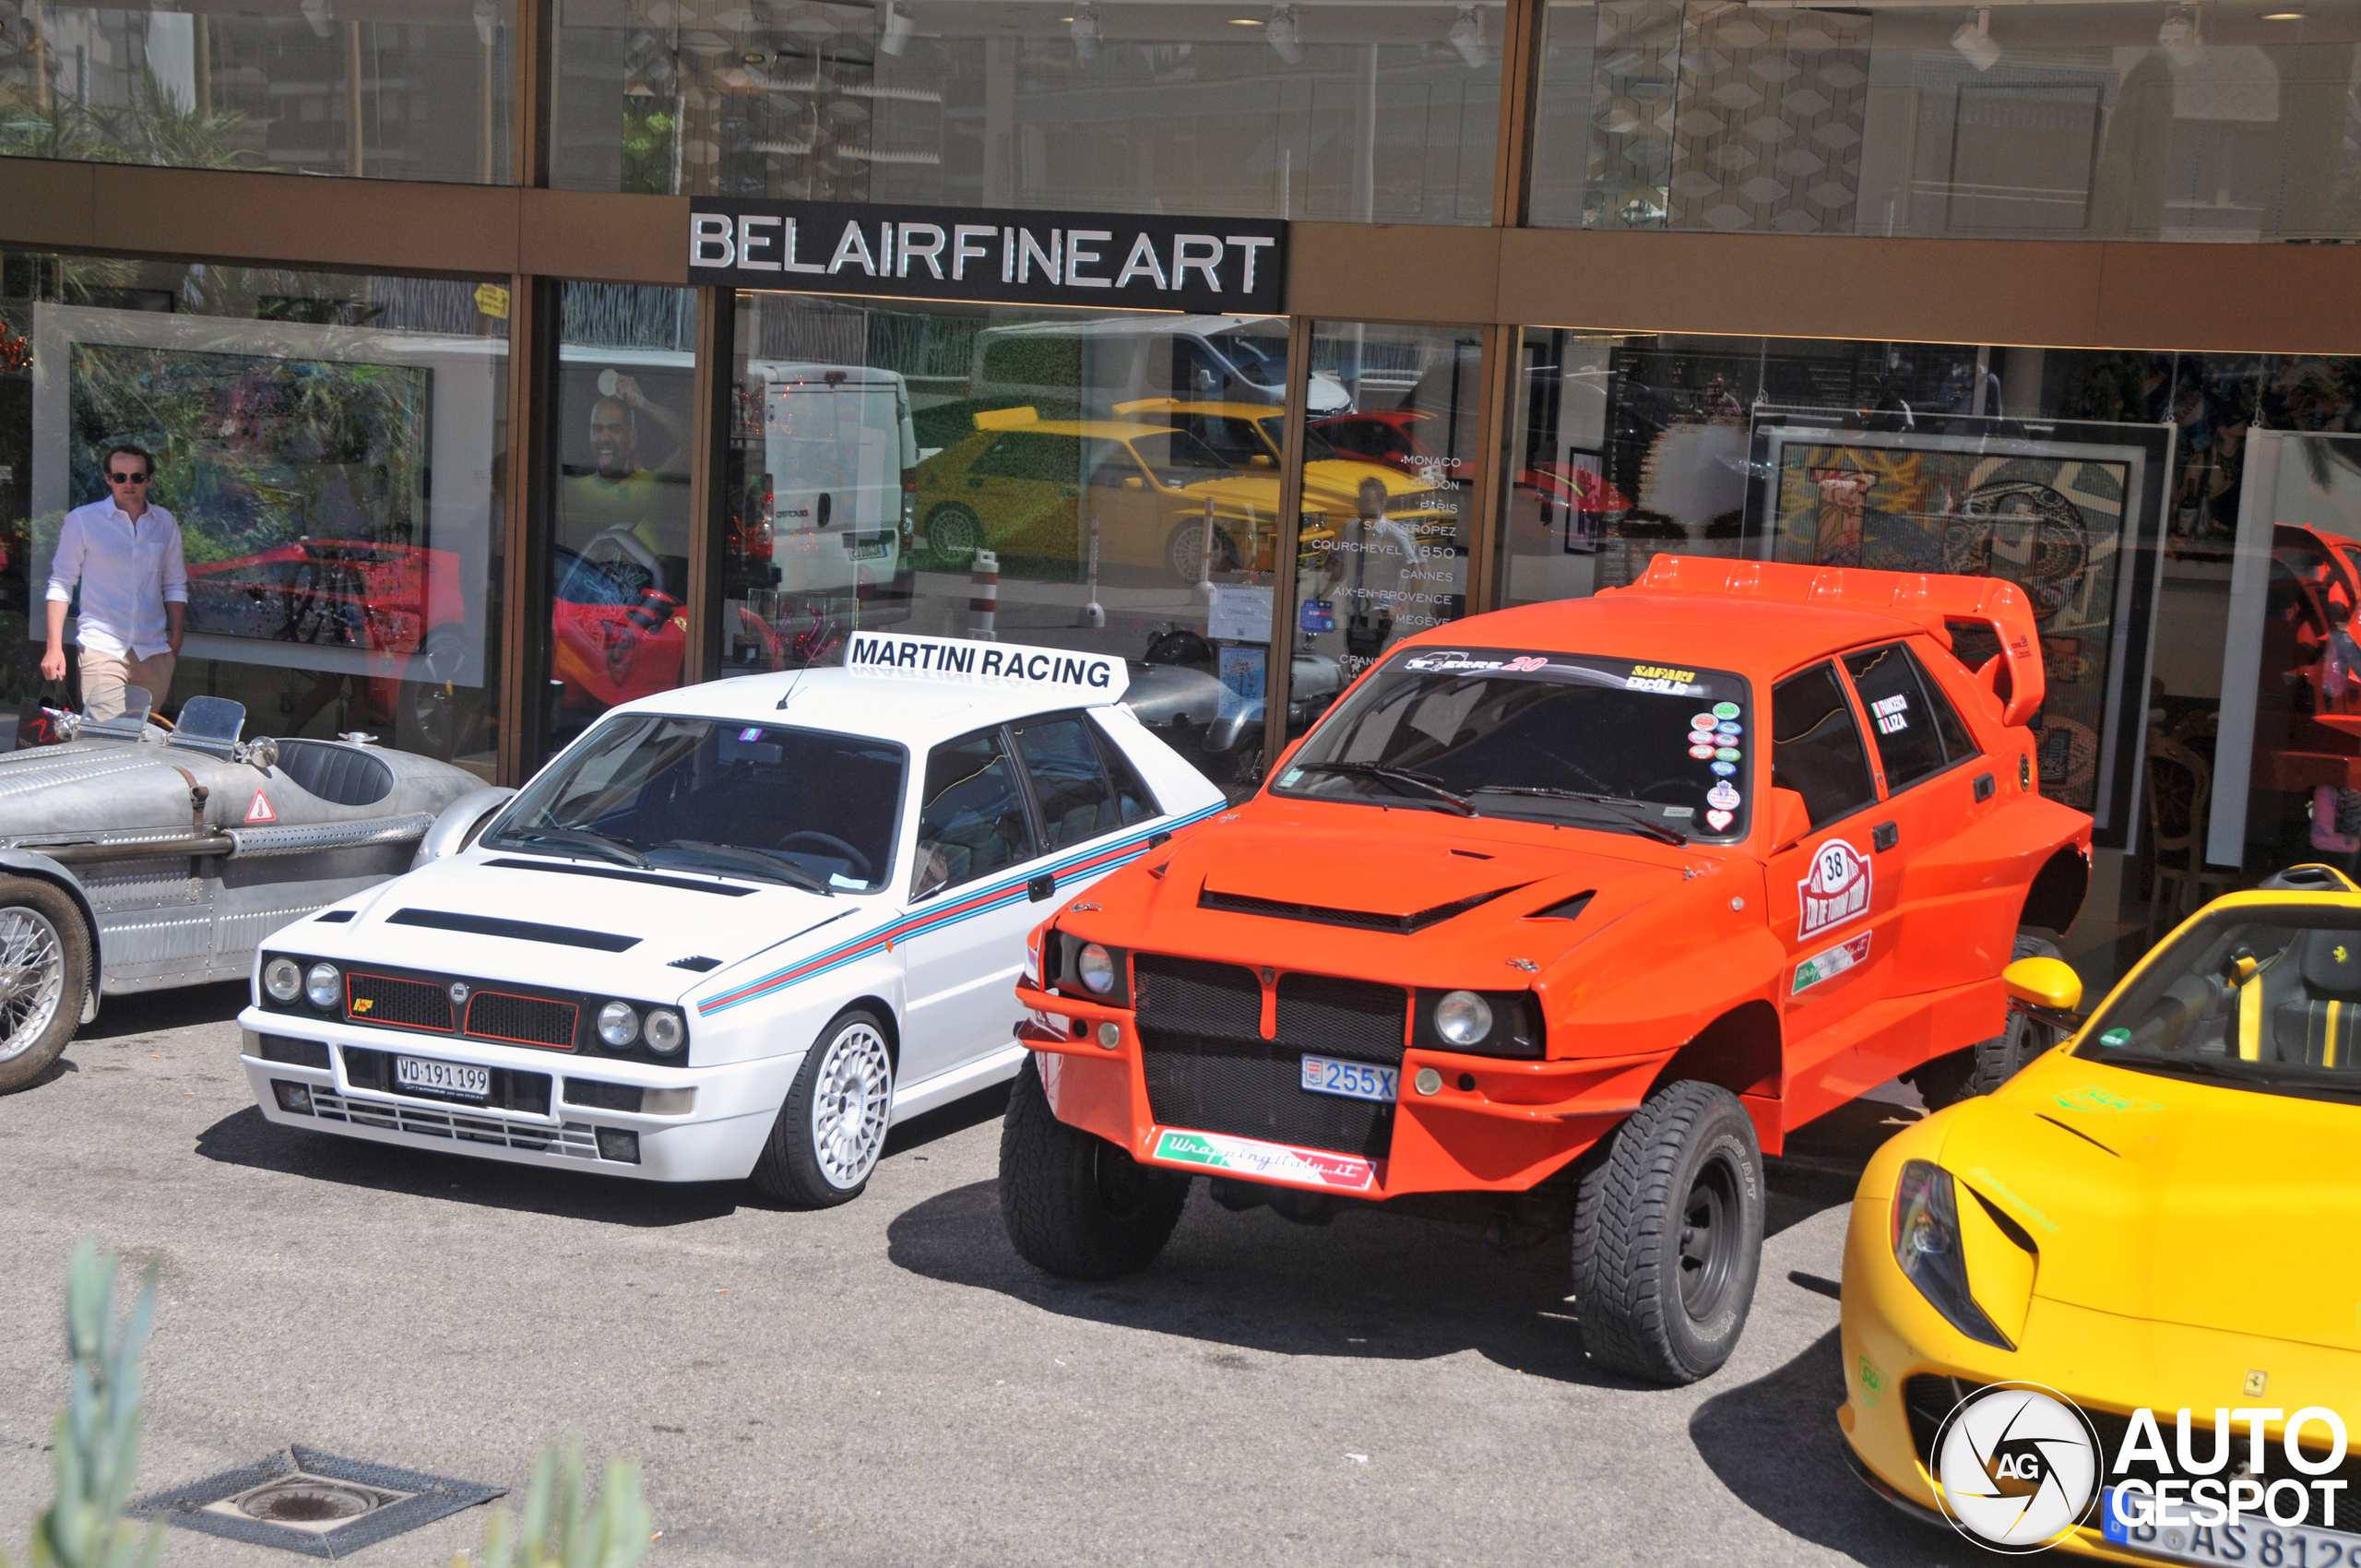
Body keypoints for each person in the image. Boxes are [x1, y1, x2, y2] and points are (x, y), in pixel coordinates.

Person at [42, 444, 186, 720]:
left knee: (142, 735)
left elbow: (175, 583)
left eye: (137, 477)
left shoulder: (164, 523)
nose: (128, 484)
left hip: (153, 649)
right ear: (108, 479)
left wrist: (177, 636)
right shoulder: (83, 521)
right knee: (106, 734)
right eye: (120, 477)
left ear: (150, 479)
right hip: (101, 646)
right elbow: (61, 583)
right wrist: (53, 647)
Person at [559, 372, 691, 592]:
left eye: (615, 428)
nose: (605, 438)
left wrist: (643, 404)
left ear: (632, 439)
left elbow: (696, 444)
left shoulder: (652, 485)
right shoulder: (569, 490)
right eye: (597, 429)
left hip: (642, 606)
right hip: (581, 603)